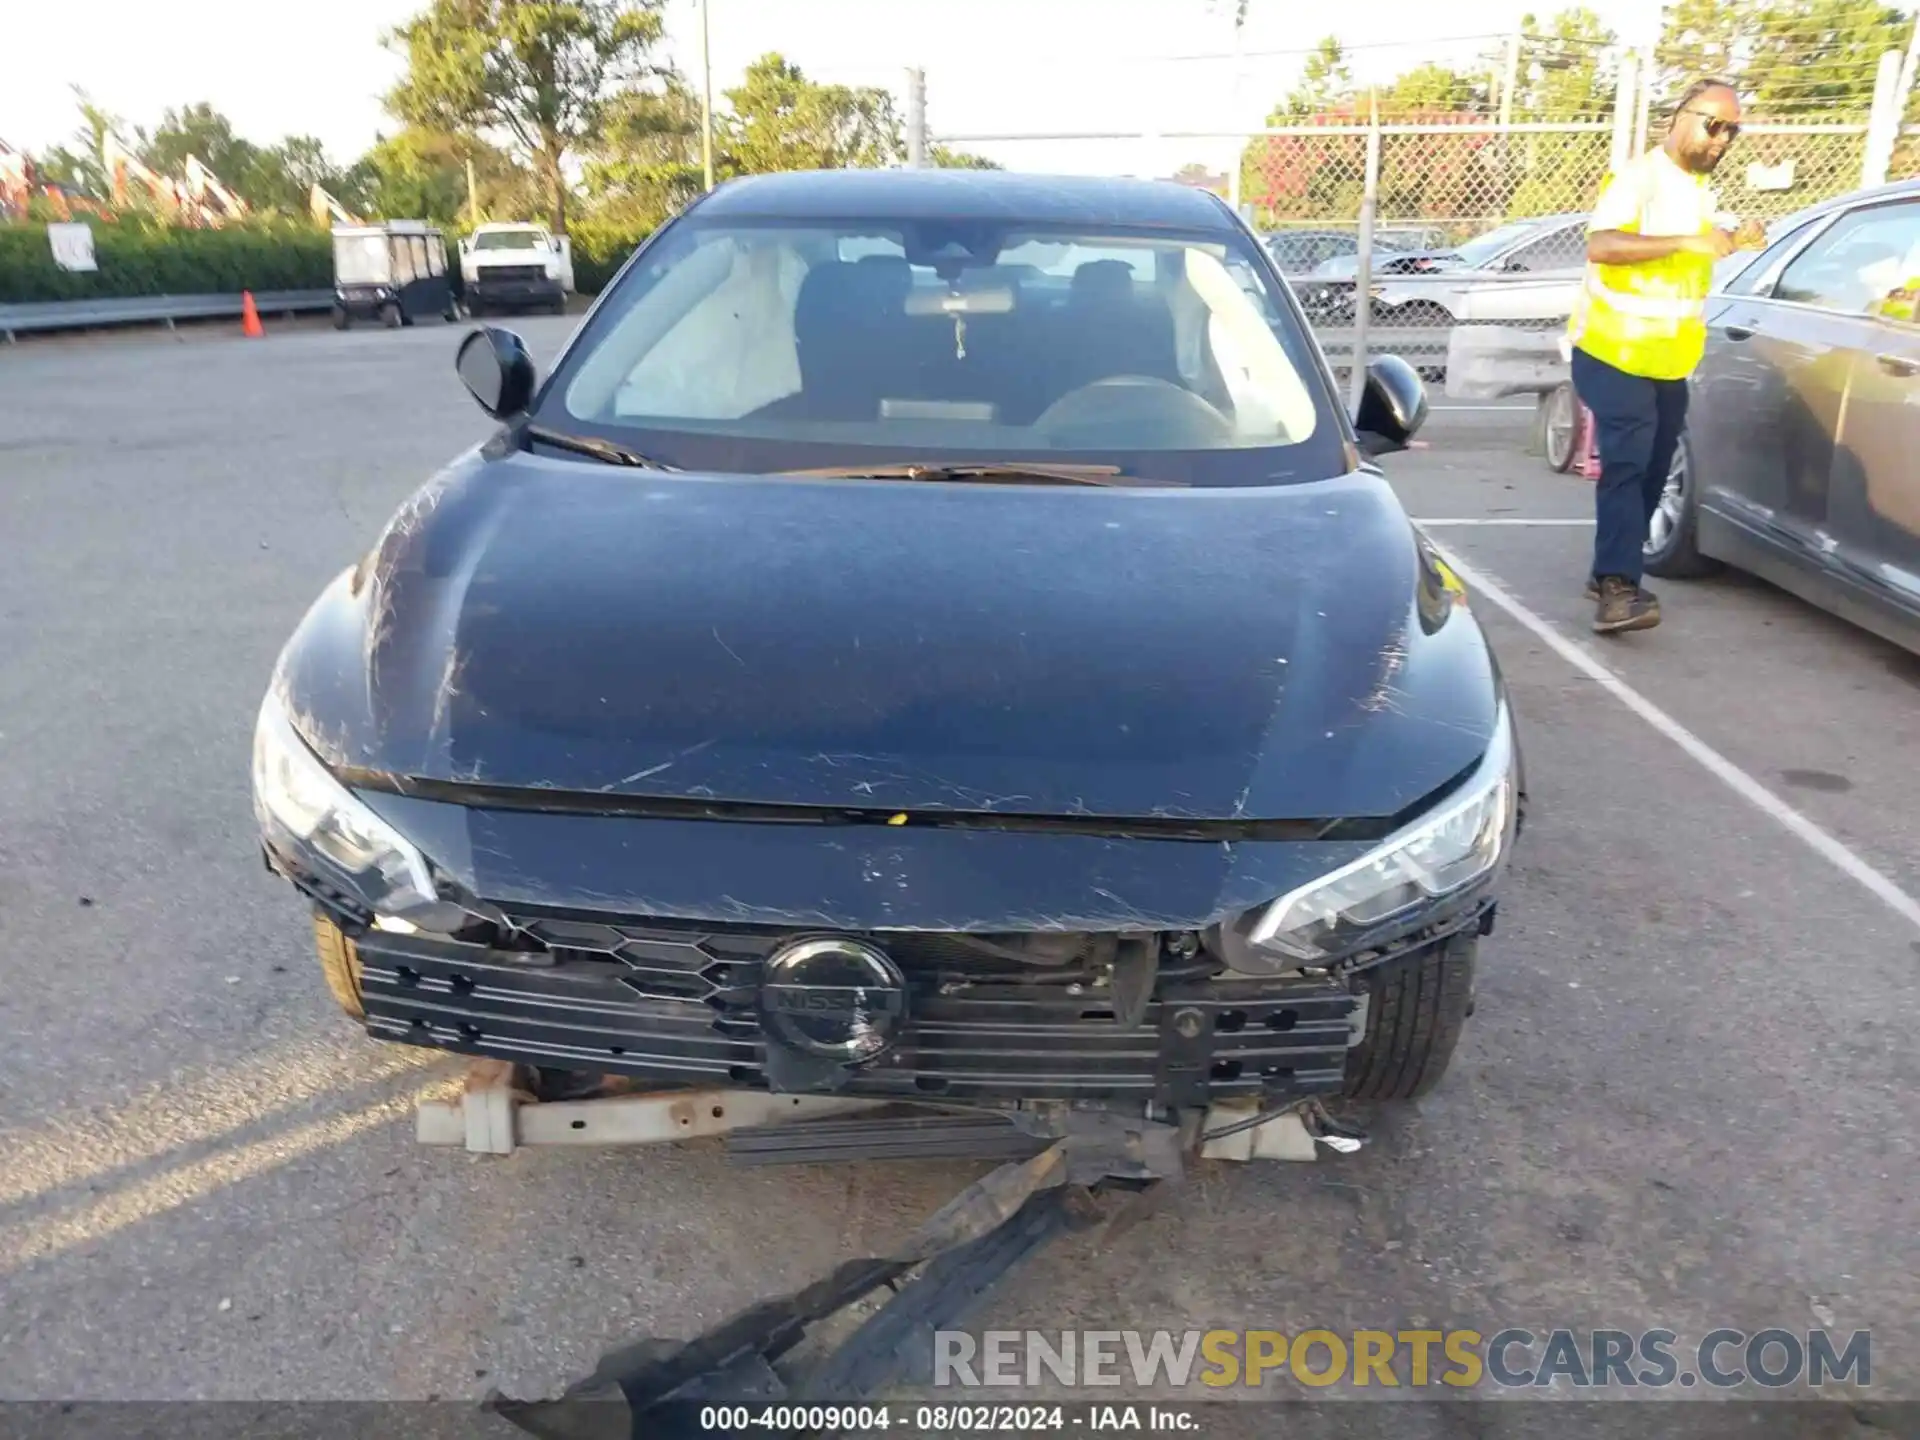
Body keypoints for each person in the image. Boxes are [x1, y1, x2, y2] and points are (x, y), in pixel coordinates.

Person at [1567, 78, 1767, 634]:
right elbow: (1602, 245)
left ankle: (1607, 570)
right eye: (1713, 125)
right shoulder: (1639, 179)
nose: (1722, 140)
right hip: (1613, 351)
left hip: (1667, 360)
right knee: (1627, 465)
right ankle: (1618, 589)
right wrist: (1689, 241)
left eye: (1733, 130)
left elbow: (1683, 262)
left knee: (1655, 472)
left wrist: (1728, 237)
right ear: (1681, 117)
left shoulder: (1698, 189)